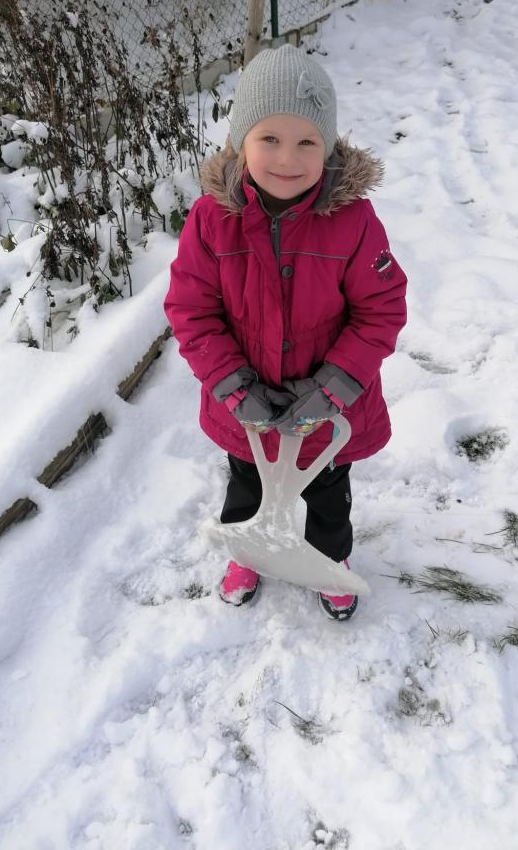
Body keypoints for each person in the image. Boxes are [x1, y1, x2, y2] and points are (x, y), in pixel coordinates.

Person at [164, 43, 407, 621]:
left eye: (307, 142)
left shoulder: (352, 222)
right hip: (246, 408)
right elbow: (191, 309)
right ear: (240, 140)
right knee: (246, 485)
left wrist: (333, 389)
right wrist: (231, 385)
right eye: (269, 138)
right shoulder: (211, 220)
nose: (287, 159)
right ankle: (247, 551)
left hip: (325, 410)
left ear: (329, 147)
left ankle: (329, 562)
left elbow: (380, 310)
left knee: (327, 495)